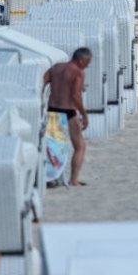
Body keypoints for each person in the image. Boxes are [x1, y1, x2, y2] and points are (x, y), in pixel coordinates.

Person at [44, 48, 92, 186]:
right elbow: (75, 96)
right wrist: (84, 114)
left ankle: (52, 177)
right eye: (87, 63)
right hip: (68, 112)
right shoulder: (78, 72)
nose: (87, 66)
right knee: (80, 146)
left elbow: (41, 84)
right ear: (81, 60)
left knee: (53, 147)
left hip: (52, 110)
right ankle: (73, 180)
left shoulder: (56, 68)